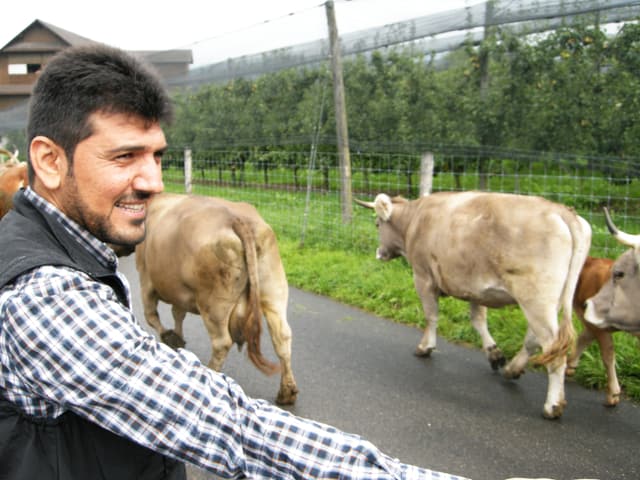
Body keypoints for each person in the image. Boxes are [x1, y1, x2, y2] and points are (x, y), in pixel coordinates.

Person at [0, 44, 469, 480]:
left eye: (157, 156)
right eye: (125, 156)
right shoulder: (45, 295)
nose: (154, 182)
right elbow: (226, 426)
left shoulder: (51, 246)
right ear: (49, 161)